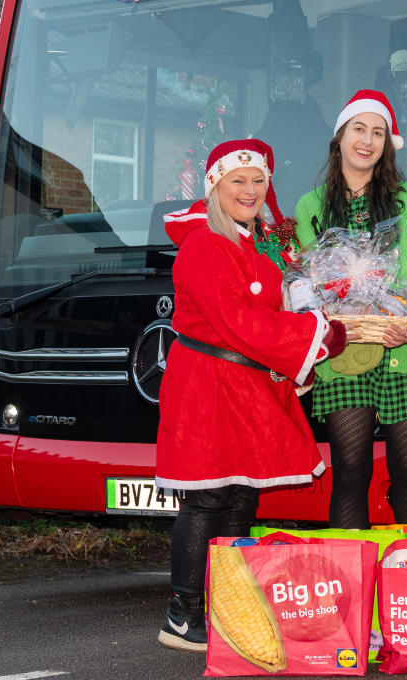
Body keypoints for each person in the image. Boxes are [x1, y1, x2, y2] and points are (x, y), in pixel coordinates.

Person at [155, 138, 350, 652]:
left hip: (246, 383)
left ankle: (223, 605)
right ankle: (181, 615)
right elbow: (237, 321)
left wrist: (314, 317)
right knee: (206, 498)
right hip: (209, 384)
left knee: (242, 492)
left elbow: (271, 307)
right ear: (214, 186)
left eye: (258, 181)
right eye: (237, 181)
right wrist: (312, 337)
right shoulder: (204, 245)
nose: (249, 190)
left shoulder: (257, 241)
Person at [294, 89, 407, 529]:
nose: (367, 140)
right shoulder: (310, 207)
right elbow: (306, 278)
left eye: (378, 132)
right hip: (344, 352)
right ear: (340, 137)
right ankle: (352, 569)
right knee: (350, 472)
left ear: (387, 144)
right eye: (359, 129)